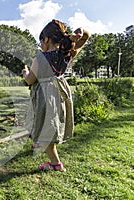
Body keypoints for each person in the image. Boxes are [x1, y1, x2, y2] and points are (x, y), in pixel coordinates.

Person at [22, 19, 90, 172]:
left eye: (41, 41)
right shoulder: (67, 54)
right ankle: (42, 143)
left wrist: (25, 72)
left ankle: (56, 164)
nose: (40, 45)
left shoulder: (40, 58)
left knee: (44, 128)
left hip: (44, 98)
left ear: (46, 39)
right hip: (58, 95)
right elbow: (86, 36)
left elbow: (30, 80)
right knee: (49, 124)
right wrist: (80, 32)